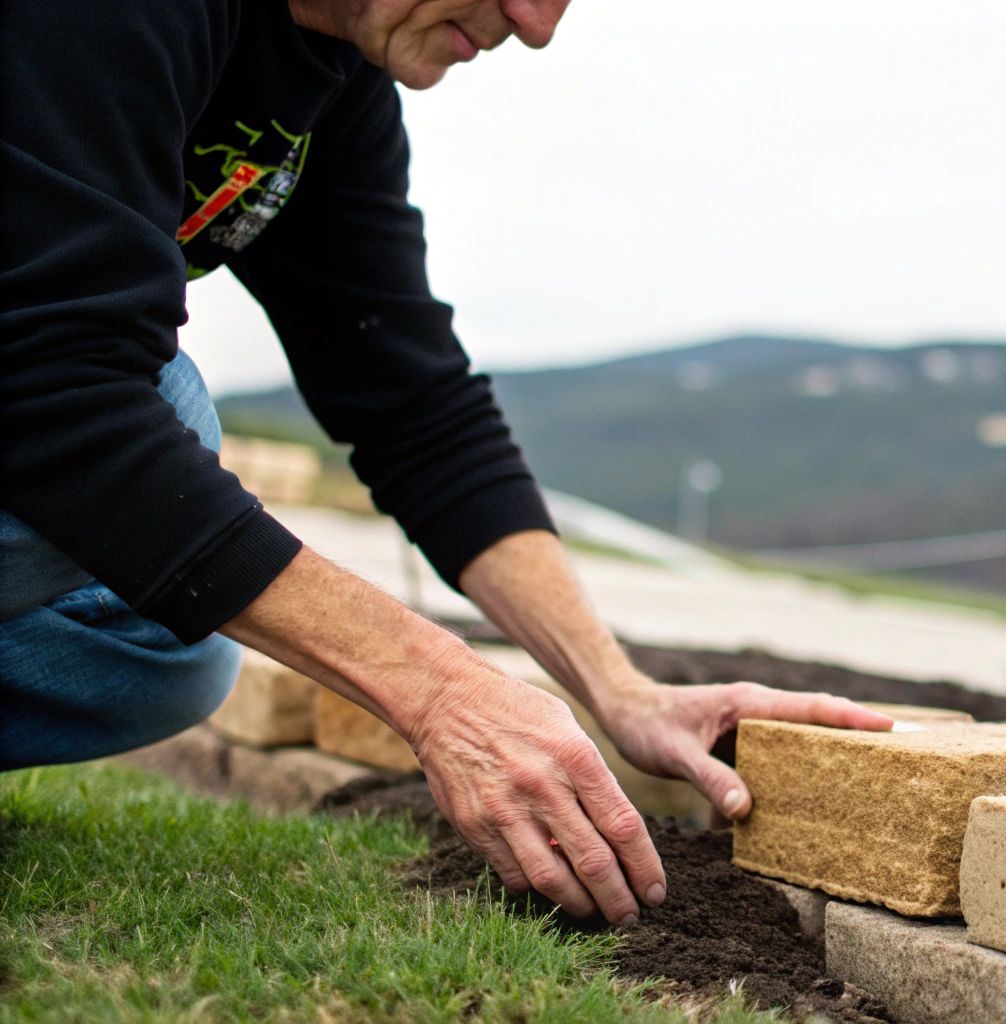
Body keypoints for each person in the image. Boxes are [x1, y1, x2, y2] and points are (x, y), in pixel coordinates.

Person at [0, 0, 893, 927]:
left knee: (164, 651)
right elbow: (50, 387)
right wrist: (440, 691)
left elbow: (413, 406)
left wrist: (620, 693)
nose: (536, 25)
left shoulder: (329, 79)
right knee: (163, 403)